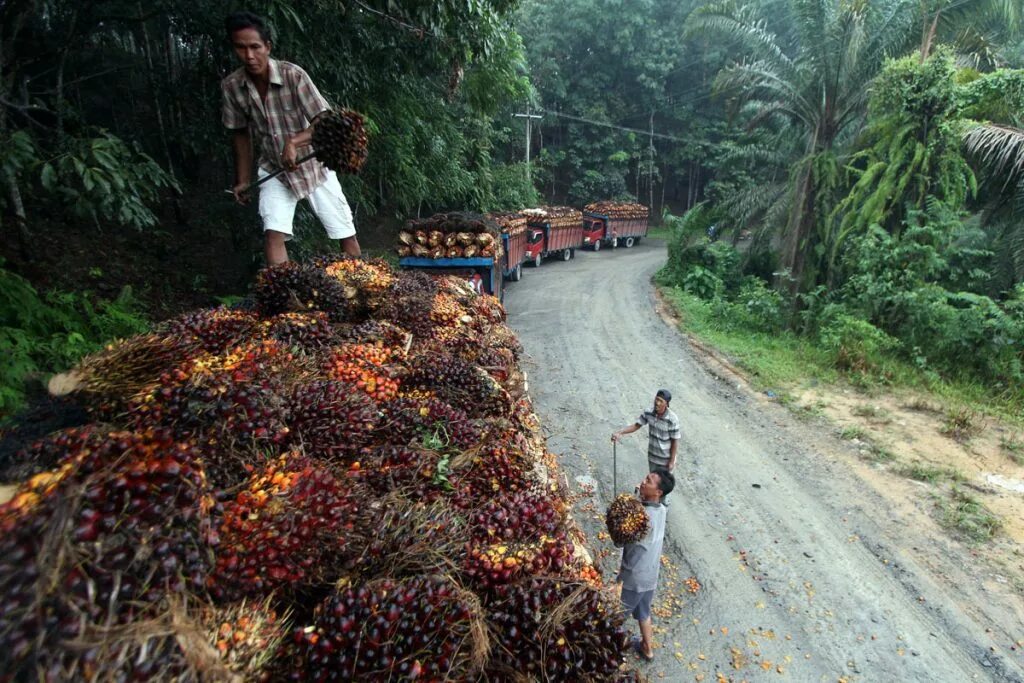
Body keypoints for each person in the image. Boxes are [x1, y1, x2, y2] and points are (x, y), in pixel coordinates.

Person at [221, 11, 361, 265]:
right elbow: (240, 134)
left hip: (314, 166)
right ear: (234, 49)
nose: (249, 56)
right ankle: (285, 296)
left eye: (255, 47)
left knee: (344, 231)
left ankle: (364, 290)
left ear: (267, 47)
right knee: (273, 232)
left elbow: (324, 121)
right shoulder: (232, 87)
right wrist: (242, 180)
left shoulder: (292, 76)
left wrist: (294, 142)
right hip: (274, 168)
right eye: (241, 48)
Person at [616, 468, 674, 661]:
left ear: (658, 492)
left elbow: (619, 541)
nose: (642, 481)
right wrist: (638, 497)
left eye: (648, 481)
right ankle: (648, 649)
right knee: (643, 611)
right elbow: (646, 507)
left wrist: (625, 508)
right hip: (650, 574)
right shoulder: (662, 510)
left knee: (613, 617)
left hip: (634, 575)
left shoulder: (640, 518)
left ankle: (610, 653)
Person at [611, 389, 681, 472]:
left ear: (666, 404)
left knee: (663, 484)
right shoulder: (649, 412)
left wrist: (672, 461)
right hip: (652, 457)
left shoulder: (672, 419)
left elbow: (675, 441)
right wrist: (620, 432)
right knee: (652, 482)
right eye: (657, 399)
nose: (657, 403)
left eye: (661, 401)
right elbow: (636, 425)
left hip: (665, 460)